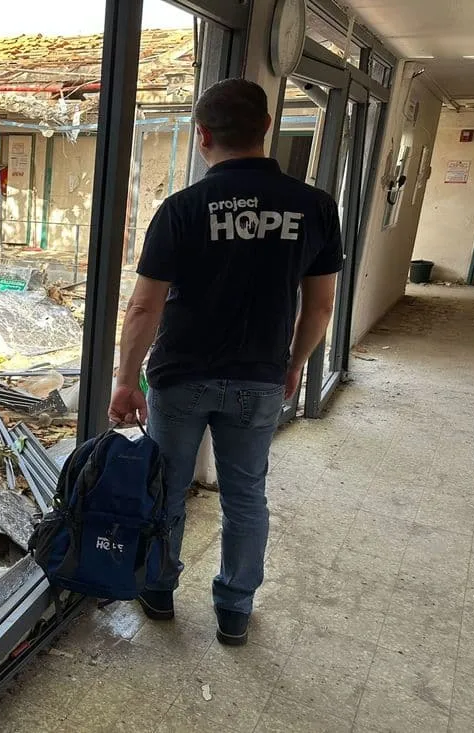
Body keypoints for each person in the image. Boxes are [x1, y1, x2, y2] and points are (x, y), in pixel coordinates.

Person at [108, 78, 342, 647]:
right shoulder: (314, 206)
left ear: (202, 134)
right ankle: (234, 609)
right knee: (245, 496)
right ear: (267, 128)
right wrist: (294, 365)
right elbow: (322, 303)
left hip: (181, 377)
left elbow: (144, 305)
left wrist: (125, 379)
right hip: (258, 378)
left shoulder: (183, 208)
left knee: (168, 489)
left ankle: (158, 590)